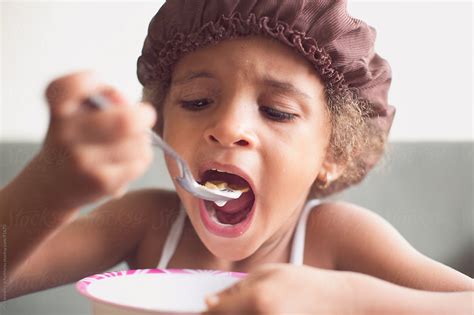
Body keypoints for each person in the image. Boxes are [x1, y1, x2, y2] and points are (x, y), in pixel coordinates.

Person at [1, 0, 472, 313]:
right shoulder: (147, 223)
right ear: (159, 121)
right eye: (197, 102)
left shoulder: (336, 238)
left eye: (278, 111)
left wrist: (348, 298)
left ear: (334, 152)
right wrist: (48, 187)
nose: (228, 128)